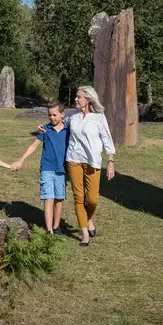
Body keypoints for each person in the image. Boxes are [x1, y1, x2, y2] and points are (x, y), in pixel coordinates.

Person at [63, 86, 115, 246]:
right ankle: (85, 233)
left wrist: (111, 162)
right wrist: (44, 128)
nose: (76, 99)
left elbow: (107, 139)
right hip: (73, 160)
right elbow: (57, 121)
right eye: (76, 97)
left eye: (79, 97)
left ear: (88, 99)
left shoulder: (99, 118)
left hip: (93, 162)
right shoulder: (72, 116)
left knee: (92, 199)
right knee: (79, 198)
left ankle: (88, 219)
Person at [11, 102, 70, 235]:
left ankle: (56, 226)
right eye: (49, 115)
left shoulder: (68, 130)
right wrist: (21, 159)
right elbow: (34, 146)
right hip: (47, 169)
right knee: (48, 198)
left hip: (62, 170)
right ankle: (49, 229)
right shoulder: (45, 130)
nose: (52, 118)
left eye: (55, 115)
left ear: (62, 115)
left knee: (59, 199)